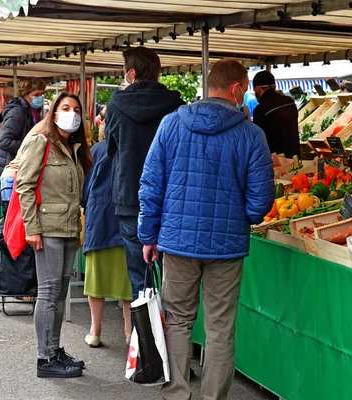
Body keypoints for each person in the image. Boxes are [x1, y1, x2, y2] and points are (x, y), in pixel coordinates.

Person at [138, 59, 275, 400]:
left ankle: (176, 394)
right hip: (226, 248)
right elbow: (262, 198)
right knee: (220, 328)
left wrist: (148, 235)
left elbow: (151, 185)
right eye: (244, 87)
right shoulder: (251, 134)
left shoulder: (171, 125)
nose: (245, 93)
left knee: (179, 322)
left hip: (178, 243)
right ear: (235, 88)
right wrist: (241, 216)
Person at [16, 93, 92, 378]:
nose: (71, 113)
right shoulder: (41, 141)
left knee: (59, 294)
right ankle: (45, 358)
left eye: (75, 109)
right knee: (48, 294)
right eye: (65, 108)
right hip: (47, 228)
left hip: (67, 228)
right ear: (53, 111)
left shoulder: (72, 147)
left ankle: (54, 348)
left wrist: (79, 226)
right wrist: (32, 227)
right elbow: (24, 185)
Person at [105, 46, 184, 301]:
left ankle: (146, 337)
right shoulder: (177, 106)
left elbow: (110, 148)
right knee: (174, 275)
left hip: (129, 198)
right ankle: (175, 336)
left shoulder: (116, 105)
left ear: (131, 73)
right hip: (171, 200)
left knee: (139, 276)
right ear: (158, 72)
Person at [81, 119, 132, 348]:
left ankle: (95, 330)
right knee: (128, 283)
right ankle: (130, 333)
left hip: (99, 219)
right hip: (125, 220)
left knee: (96, 279)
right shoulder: (132, 149)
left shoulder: (97, 150)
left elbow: (85, 187)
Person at [0, 78, 46, 205]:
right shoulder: (18, 112)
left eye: (41, 94)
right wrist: (30, 148)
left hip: (21, 169)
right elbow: (5, 141)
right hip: (12, 171)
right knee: (9, 219)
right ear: (25, 94)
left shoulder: (32, 112)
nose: (39, 98)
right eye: (36, 95)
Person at [252, 70, 300, 158]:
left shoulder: (261, 109)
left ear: (258, 89)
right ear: (274, 86)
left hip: (276, 162)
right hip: (295, 157)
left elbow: (259, 140)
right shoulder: (289, 101)